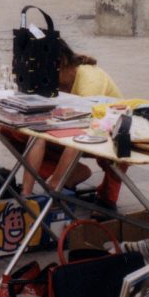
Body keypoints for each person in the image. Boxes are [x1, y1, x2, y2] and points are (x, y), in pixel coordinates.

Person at [11, 39, 127, 211]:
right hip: (69, 131)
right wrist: (26, 194)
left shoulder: (90, 80)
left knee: (111, 145)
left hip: (104, 134)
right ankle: (68, 175)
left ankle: (101, 195)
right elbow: (38, 127)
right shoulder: (53, 80)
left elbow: (80, 131)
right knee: (15, 130)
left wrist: (54, 186)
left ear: (62, 62)